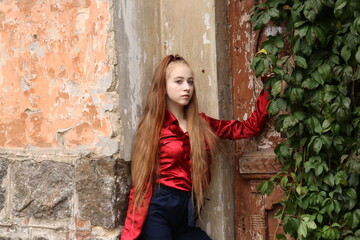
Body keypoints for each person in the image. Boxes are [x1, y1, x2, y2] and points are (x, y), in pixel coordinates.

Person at [120, 54, 270, 240]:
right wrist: (128, 235)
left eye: (190, 82)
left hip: (185, 211)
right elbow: (141, 181)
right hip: (158, 209)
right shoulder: (153, 127)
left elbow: (249, 128)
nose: (187, 88)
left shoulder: (202, 123)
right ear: (163, 87)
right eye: (179, 81)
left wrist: (270, 87)